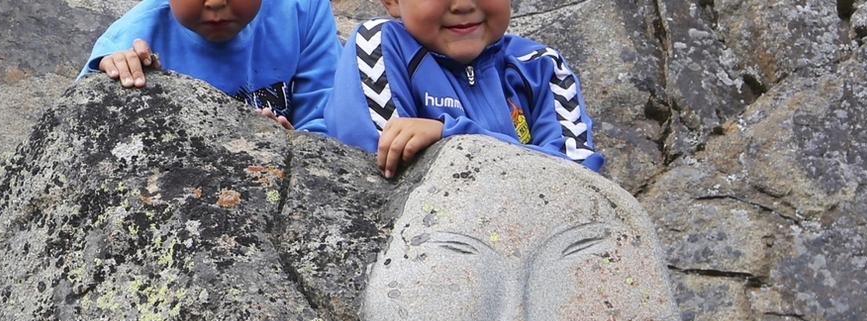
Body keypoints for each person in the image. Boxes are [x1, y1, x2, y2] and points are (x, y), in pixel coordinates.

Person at [323, 0, 604, 178]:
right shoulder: (379, 46)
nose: (463, 5)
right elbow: (380, 172)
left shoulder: (541, 67)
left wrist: (449, 136)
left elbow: (578, 179)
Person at [84, 0, 342, 131]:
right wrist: (116, 73)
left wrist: (297, 147)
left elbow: (329, 114)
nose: (216, 2)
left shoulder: (302, 10)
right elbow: (83, 123)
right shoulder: (131, 40)